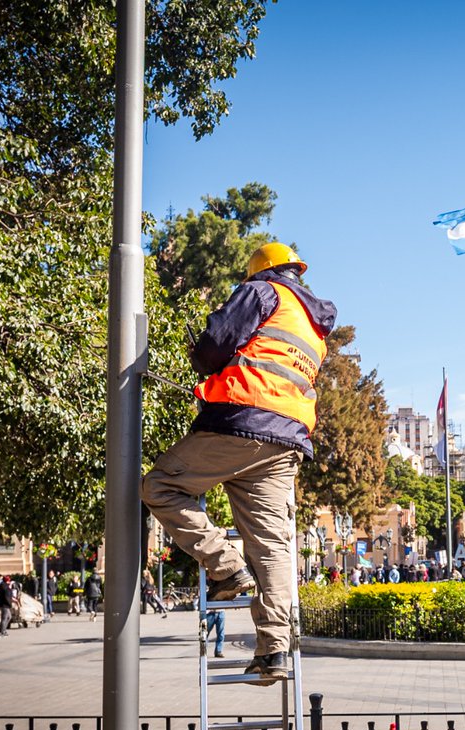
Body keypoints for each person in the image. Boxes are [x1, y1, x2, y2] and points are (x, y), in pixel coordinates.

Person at [141, 242, 336, 688]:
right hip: (286, 441)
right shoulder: (312, 325)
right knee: (271, 547)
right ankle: (273, 652)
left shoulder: (262, 291)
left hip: (240, 424)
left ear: (260, 272)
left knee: (160, 487)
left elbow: (214, 346)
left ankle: (226, 566)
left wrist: (204, 359)